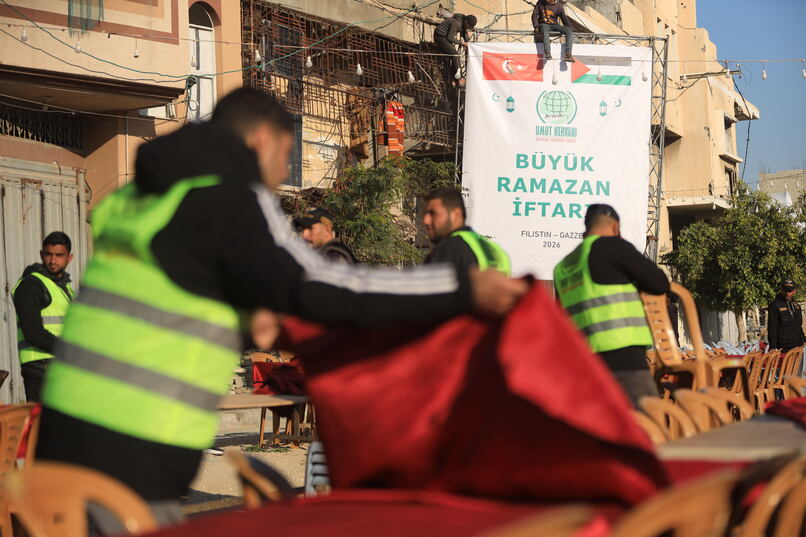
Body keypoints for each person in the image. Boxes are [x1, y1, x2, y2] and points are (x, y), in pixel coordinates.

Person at [36, 88, 527, 530]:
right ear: (262, 140)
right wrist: (459, 288)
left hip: (65, 421)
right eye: (285, 156)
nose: (279, 176)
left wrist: (245, 318)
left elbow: (169, 290)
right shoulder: (228, 196)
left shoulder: (141, 196)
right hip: (134, 439)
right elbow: (322, 285)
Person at [553, 205, 669, 406]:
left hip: (584, 365)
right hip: (625, 361)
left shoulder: (563, 267)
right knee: (647, 421)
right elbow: (659, 283)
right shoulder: (612, 247)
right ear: (616, 227)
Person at [11, 232, 75, 402]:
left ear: (69, 258)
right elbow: (32, 331)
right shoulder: (31, 286)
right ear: (41, 255)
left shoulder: (65, 289)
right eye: (48, 254)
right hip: (41, 370)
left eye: (59, 255)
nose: (53, 260)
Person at [423, 188, 510, 275]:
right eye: (425, 214)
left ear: (456, 214)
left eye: (433, 214)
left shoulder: (447, 249)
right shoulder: (498, 251)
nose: (426, 221)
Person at [433, 12, 477, 85]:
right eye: (468, 26)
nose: (468, 28)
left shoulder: (463, 23)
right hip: (440, 36)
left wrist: (469, 44)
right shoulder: (456, 23)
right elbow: (450, 37)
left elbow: (464, 35)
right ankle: (460, 78)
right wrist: (462, 43)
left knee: (453, 56)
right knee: (455, 54)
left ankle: (454, 78)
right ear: (466, 22)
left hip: (446, 37)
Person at [767, 279, 804, 354]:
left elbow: (798, 326)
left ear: (794, 291)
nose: (787, 293)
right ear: (782, 290)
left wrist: (803, 340)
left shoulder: (796, 306)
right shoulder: (775, 305)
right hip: (784, 347)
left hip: (798, 345)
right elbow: (772, 327)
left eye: (789, 291)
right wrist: (772, 346)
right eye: (785, 290)